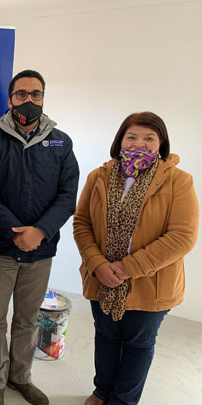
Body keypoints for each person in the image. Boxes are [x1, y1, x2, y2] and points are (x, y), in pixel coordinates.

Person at [0, 70, 79, 405]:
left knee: (28, 320)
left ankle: (21, 378)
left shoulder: (61, 142)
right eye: (21, 94)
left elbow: (68, 194)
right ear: (10, 99)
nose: (28, 101)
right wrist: (15, 232)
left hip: (41, 250)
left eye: (35, 94)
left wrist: (40, 231)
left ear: (43, 98)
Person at [73, 111, 198, 405]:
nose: (139, 144)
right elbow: (82, 223)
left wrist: (128, 268)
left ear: (160, 144)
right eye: (132, 136)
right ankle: (102, 391)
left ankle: (122, 400)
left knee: (138, 344)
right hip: (101, 279)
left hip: (150, 283)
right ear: (120, 141)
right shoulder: (98, 176)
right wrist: (98, 265)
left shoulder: (178, 182)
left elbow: (183, 236)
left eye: (148, 138)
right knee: (106, 337)